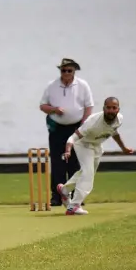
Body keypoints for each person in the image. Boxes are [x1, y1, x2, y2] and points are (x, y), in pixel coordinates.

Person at [58, 97, 133, 215]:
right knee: (88, 174)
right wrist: (68, 150)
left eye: (114, 108)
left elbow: (114, 132)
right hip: (83, 144)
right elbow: (73, 137)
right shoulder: (92, 122)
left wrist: (123, 148)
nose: (111, 110)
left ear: (118, 109)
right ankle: (74, 206)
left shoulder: (119, 119)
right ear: (104, 108)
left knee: (86, 172)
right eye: (108, 108)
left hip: (97, 146)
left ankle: (64, 190)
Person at [39, 58, 95, 206]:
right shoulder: (52, 86)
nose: (66, 73)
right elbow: (42, 106)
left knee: (75, 163)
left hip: (76, 128)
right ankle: (57, 197)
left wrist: (83, 126)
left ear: (74, 71)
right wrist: (54, 110)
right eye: (63, 70)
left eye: (69, 70)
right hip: (57, 128)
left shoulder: (82, 85)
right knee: (57, 163)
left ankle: (76, 197)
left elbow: (89, 107)